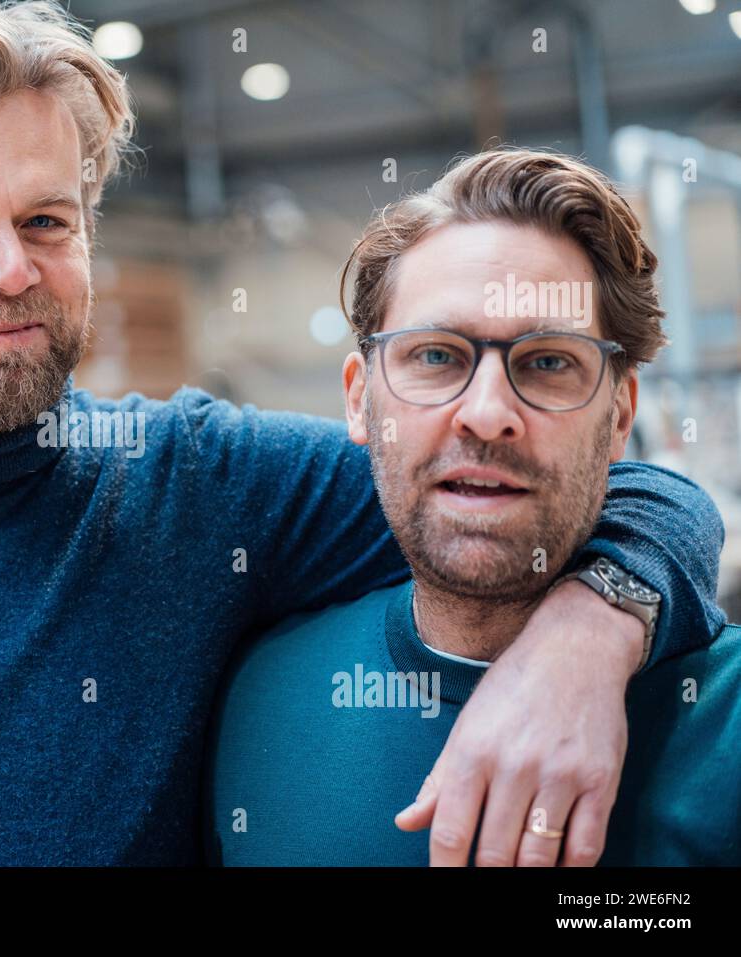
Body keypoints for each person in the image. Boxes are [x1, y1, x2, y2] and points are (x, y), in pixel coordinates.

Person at [0, 2, 724, 866]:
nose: (9, 270)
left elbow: (570, 484)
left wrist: (590, 627)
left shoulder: (207, 489)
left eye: (48, 219)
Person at [205, 148, 741, 866]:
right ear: (360, 397)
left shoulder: (724, 723)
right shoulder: (257, 697)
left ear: (620, 416)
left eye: (548, 361)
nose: (487, 413)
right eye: (436, 356)